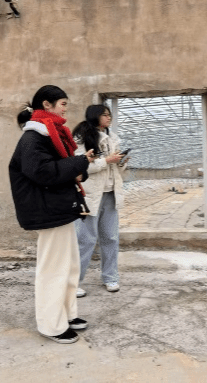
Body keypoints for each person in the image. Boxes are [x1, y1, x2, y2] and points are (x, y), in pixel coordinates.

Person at [8, 85, 96, 344]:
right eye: (63, 104)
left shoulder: (50, 134)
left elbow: (61, 167)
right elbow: (43, 171)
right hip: (48, 210)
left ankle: (66, 315)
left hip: (59, 208)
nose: (66, 109)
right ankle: (51, 325)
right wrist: (80, 162)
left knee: (69, 266)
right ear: (46, 105)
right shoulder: (33, 137)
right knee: (54, 269)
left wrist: (79, 168)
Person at [72, 104, 127, 297]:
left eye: (109, 114)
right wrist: (106, 161)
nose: (108, 117)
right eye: (104, 115)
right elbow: (80, 167)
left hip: (110, 194)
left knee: (111, 237)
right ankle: (74, 282)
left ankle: (111, 277)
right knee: (85, 239)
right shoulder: (81, 138)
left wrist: (120, 163)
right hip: (91, 195)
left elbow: (115, 169)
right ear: (94, 116)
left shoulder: (113, 138)